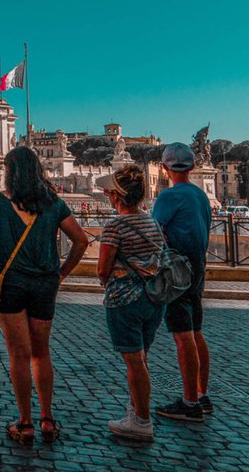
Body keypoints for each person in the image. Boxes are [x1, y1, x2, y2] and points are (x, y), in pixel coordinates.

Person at [0, 146, 88, 445]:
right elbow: (81, 240)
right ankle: (47, 419)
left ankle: (25, 423)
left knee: (19, 355)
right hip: (44, 285)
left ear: (9, 172)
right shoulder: (53, 203)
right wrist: (61, 273)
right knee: (41, 353)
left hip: (9, 284)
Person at [96, 166, 166, 442]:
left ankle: (141, 421)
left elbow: (103, 267)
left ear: (116, 196)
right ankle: (137, 408)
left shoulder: (115, 225)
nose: (105, 194)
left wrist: (107, 279)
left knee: (134, 361)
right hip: (153, 298)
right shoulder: (151, 221)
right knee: (142, 357)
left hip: (126, 299)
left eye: (109, 191)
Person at [152, 142, 213, 422]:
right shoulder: (201, 196)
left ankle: (189, 403)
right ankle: (202, 395)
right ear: (191, 167)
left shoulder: (168, 197)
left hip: (177, 268)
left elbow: (155, 233)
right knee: (196, 331)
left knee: (182, 335)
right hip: (198, 266)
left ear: (165, 167)